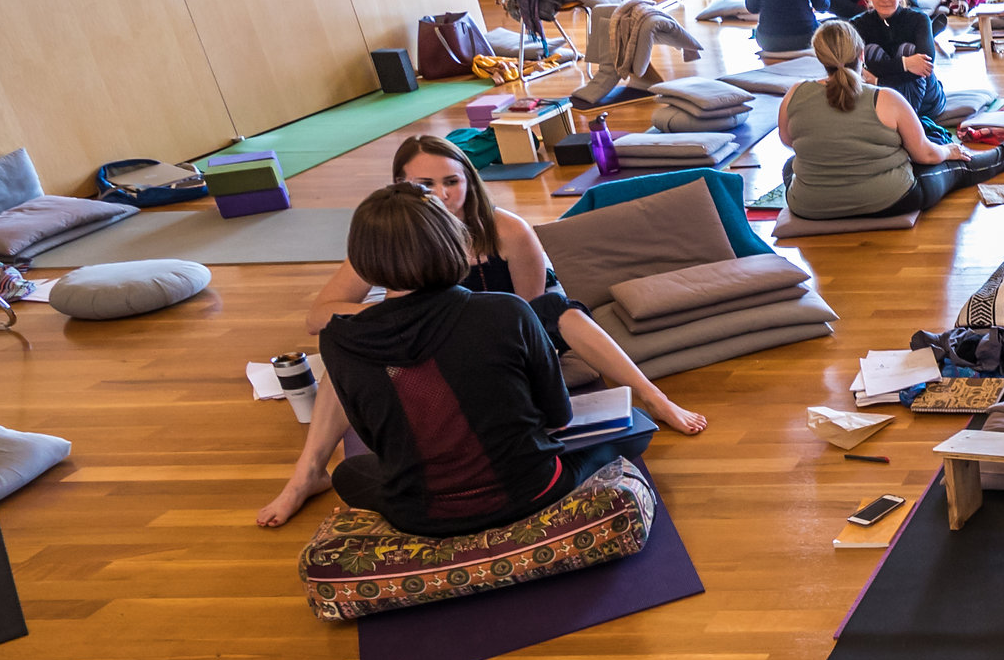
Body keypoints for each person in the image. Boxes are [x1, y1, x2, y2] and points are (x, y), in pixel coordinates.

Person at [257, 139, 704, 525]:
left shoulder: (506, 234)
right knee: (351, 355)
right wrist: (383, 321)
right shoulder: (393, 241)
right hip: (473, 364)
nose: (440, 193)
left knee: (560, 311)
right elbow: (319, 315)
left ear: (469, 180)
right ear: (399, 190)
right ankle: (305, 474)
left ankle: (653, 396)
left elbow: (532, 312)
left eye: (450, 181)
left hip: (492, 341)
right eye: (424, 186)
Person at [264, 185, 624, 537]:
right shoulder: (506, 310)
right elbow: (558, 416)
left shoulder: (340, 339)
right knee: (626, 435)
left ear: (363, 262)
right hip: (534, 491)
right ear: (457, 244)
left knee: (349, 474)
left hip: (423, 518)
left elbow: (376, 441)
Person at [779, 18, 1004, 222]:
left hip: (810, 206)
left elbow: (789, 142)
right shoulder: (887, 98)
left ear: (819, 57)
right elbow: (926, 154)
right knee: (955, 164)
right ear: (862, 54)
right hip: (889, 199)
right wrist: (949, 151)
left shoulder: (794, 94)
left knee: (790, 166)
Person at [849, 0, 943, 125]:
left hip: (925, 103)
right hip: (880, 100)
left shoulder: (919, 19)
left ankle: (904, 121)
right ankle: (896, 119)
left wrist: (878, 80)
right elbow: (855, 68)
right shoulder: (858, 24)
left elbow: (925, 66)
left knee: (907, 50)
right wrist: (906, 63)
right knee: (871, 51)